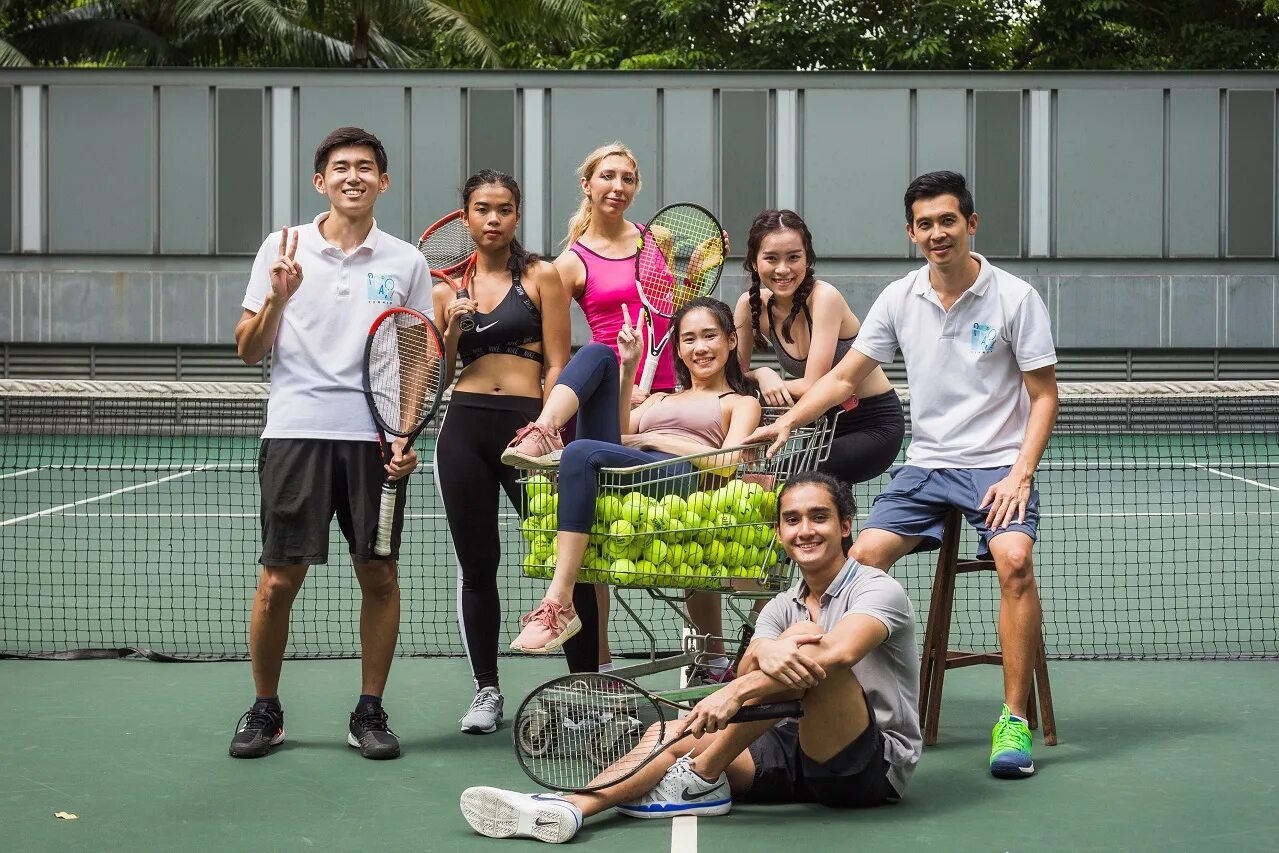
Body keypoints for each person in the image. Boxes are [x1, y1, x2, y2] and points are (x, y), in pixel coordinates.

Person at [747, 171, 1058, 779]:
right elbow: (840, 379)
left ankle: (1013, 717)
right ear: (911, 232)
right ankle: (839, 695)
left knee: (1015, 560)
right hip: (928, 465)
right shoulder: (899, 298)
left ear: (971, 224)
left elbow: (1043, 396)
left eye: (948, 220)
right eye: (925, 224)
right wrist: (789, 423)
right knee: (853, 559)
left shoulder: (1016, 298)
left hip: (997, 464)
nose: (937, 233)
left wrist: (1021, 473)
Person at [459, 471, 921, 843]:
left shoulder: (877, 590)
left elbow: (832, 657)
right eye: (792, 519)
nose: (805, 530)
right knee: (667, 731)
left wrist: (735, 691)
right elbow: (748, 668)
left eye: (818, 517)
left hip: (867, 765)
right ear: (779, 531)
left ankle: (701, 775)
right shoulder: (782, 604)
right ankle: (569, 808)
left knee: (806, 643)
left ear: (844, 527)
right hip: (792, 744)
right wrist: (759, 651)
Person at [229, 127, 432, 760]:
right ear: (321, 181)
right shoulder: (281, 248)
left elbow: (416, 353)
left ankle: (369, 711)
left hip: (373, 444)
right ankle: (266, 709)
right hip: (296, 433)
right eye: (341, 167)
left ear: (383, 181)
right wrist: (278, 300)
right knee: (276, 583)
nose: (354, 176)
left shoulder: (405, 261)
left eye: (366, 167)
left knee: (380, 576)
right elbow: (247, 349)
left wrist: (403, 430)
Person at [554, 142, 730, 681]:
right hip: (605, 395)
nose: (618, 186)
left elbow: (672, 308)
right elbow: (560, 350)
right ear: (588, 184)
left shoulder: (656, 242)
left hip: (663, 389)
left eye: (628, 178)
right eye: (607, 176)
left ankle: (711, 656)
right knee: (601, 537)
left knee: (696, 523)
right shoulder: (568, 263)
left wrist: (694, 277)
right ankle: (600, 662)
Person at [499, 297, 761, 654]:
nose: (700, 348)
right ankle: (545, 428)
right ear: (678, 350)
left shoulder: (740, 402)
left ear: (730, 340)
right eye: (689, 339)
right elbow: (618, 438)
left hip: (675, 480)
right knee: (599, 354)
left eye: (709, 336)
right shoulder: (657, 399)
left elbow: (727, 461)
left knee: (579, 451)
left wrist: (654, 438)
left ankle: (559, 602)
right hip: (629, 473)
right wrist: (629, 368)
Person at [432, 170, 572, 736]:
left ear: (517, 216)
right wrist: (449, 330)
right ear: (465, 216)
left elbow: (559, 362)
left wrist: (545, 424)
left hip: (528, 429)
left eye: (504, 209)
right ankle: (487, 690)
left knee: (567, 554)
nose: (493, 219)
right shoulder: (445, 288)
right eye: (482, 209)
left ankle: (581, 685)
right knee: (478, 563)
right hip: (463, 428)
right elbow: (438, 376)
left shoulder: (542, 276)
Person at [734, 208, 905, 549]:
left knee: (793, 479)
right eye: (771, 258)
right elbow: (734, 380)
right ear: (754, 262)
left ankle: (843, 586)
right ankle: (834, 587)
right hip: (823, 425)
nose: (783, 269)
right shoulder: (750, 305)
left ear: (807, 259)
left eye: (793, 257)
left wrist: (769, 382)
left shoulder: (824, 298)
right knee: (816, 500)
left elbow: (815, 384)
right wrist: (762, 372)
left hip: (872, 424)